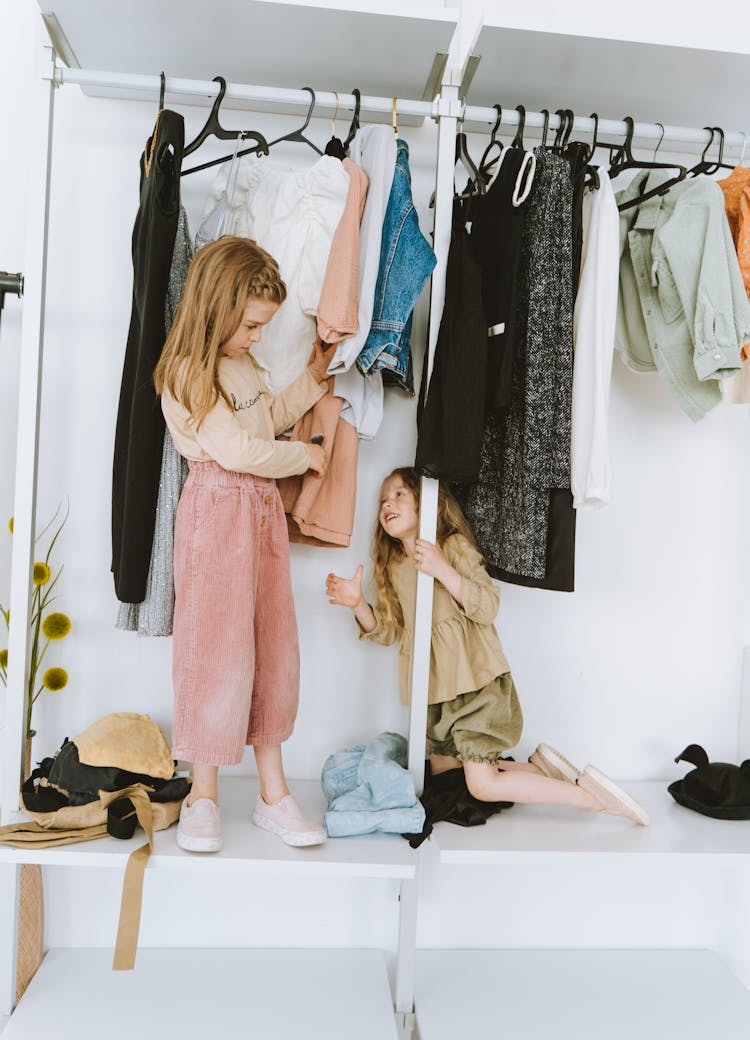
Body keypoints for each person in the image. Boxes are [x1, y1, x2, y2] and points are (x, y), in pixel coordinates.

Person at [326, 467, 649, 826]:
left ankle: (588, 796)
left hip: (473, 684)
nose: (388, 503)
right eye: (384, 499)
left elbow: (488, 605)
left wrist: (443, 569)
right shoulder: (392, 567)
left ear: (430, 505)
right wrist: (357, 603)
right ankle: (536, 768)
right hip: (433, 698)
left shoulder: (451, 547)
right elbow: (388, 632)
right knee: (448, 782)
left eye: (400, 494)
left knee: (481, 787)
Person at [154, 236, 332, 852]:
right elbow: (237, 451)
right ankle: (204, 794)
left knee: (272, 645)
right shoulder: (187, 371)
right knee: (217, 650)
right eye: (252, 325)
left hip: (258, 514)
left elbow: (265, 421)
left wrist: (310, 382)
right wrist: (304, 457)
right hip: (218, 513)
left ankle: (271, 793)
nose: (258, 337)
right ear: (220, 308)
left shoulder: (241, 366)